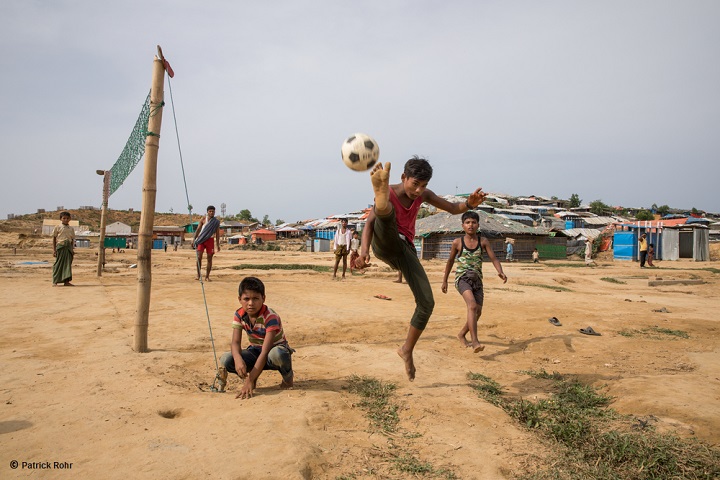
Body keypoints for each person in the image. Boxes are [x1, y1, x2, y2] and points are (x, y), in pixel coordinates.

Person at [357, 157, 487, 381]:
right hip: (384, 240)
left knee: (427, 302)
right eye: (414, 184)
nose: (418, 190)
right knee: (384, 214)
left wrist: (470, 204)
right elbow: (369, 223)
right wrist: (363, 251)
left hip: (405, 249)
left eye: (423, 186)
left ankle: (406, 349)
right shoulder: (393, 191)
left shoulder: (424, 195)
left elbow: (453, 208)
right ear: (403, 178)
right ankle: (381, 200)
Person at [217, 276, 294, 399]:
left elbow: (265, 351)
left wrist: (249, 380)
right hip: (255, 350)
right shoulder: (239, 314)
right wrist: (237, 359)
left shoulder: (270, 316)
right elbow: (235, 342)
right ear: (239, 299)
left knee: (278, 354)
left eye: (255, 299)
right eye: (246, 299)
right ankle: (252, 379)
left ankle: (287, 378)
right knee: (227, 359)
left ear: (263, 298)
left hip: (271, 352)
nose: (251, 303)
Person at [442, 211, 507, 353]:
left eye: (473, 222)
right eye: (467, 222)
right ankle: (475, 341)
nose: (470, 225)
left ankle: (461, 334)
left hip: (477, 280)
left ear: (478, 225)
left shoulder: (483, 241)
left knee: (478, 311)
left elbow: (494, 258)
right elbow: (450, 261)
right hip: (462, 279)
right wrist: (445, 280)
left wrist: (500, 271)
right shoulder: (457, 242)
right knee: (471, 305)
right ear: (462, 225)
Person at [192, 205, 221, 281]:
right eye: (210, 211)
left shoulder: (216, 222)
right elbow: (198, 229)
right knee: (199, 257)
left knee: (209, 258)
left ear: (214, 212)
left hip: (210, 240)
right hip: (201, 240)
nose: (211, 212)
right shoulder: (203, 219)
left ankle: (207, 276)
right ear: (207, 212)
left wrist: (217, 245)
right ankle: (198, 275)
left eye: (213, 211)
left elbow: (217, 234)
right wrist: (193, 239)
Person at [52, 211, 75, 286]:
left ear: (70, 219)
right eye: (64, 218)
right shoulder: (57, 227)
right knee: (58, 264)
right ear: (60, 219)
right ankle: (55, 281)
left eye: (67, 218)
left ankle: (66, 281)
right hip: (60, 246)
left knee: (67, 265)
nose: (66, 220)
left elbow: (72, 240)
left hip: (68, 248)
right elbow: (54, 238)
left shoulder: (71, 228)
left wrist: (72, 249)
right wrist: (54, 250)